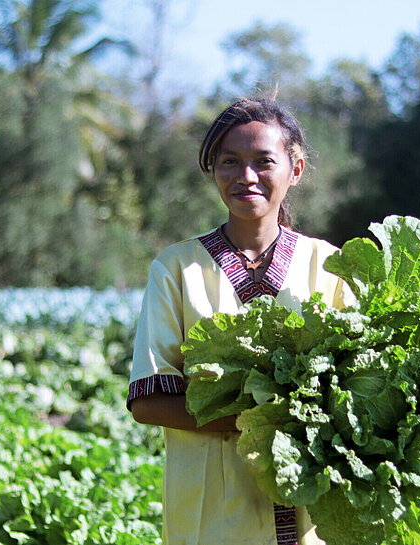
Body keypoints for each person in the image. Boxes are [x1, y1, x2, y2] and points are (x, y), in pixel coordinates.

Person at [128, 97, 355, 545]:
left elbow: (356, 390)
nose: (245, 176)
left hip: (311, 516)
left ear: (296, 170)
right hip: (210, 516)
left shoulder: (329, 265)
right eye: (229, 161)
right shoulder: (175, 268)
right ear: (213, 170)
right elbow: (149, 399)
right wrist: (265, 419)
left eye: (263, 162)